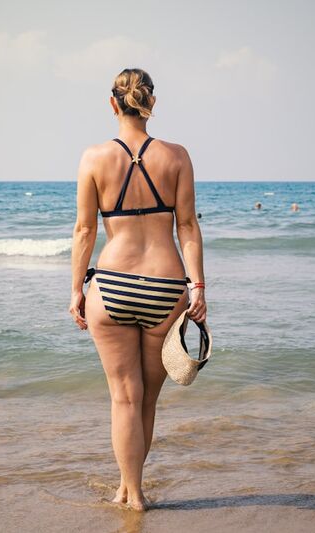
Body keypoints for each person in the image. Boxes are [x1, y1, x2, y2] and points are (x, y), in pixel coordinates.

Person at [69, 68, 206, 512]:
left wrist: (76, 290)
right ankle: (136, 489)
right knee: (147, 398)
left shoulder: (93, 158)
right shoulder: (178, 156)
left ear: (113, 104)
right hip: (166, 287)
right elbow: (187, 225)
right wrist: (199, 285)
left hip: (110, 287)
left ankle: (127, 493)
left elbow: (85, 230)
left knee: (123, 397)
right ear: (151, 103)